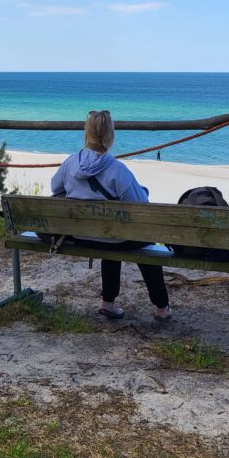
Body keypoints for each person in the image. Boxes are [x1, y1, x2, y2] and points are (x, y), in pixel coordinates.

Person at [51, 109, 172, 321]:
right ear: (110, 136)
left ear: (86, 133)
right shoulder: (118, 170)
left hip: (80, 236)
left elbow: (55, 187)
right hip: (113, 237)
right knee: (140, 239)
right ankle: (161, 307)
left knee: (110, 232)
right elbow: (140, 205)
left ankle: (108, 302)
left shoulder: (70, 163)